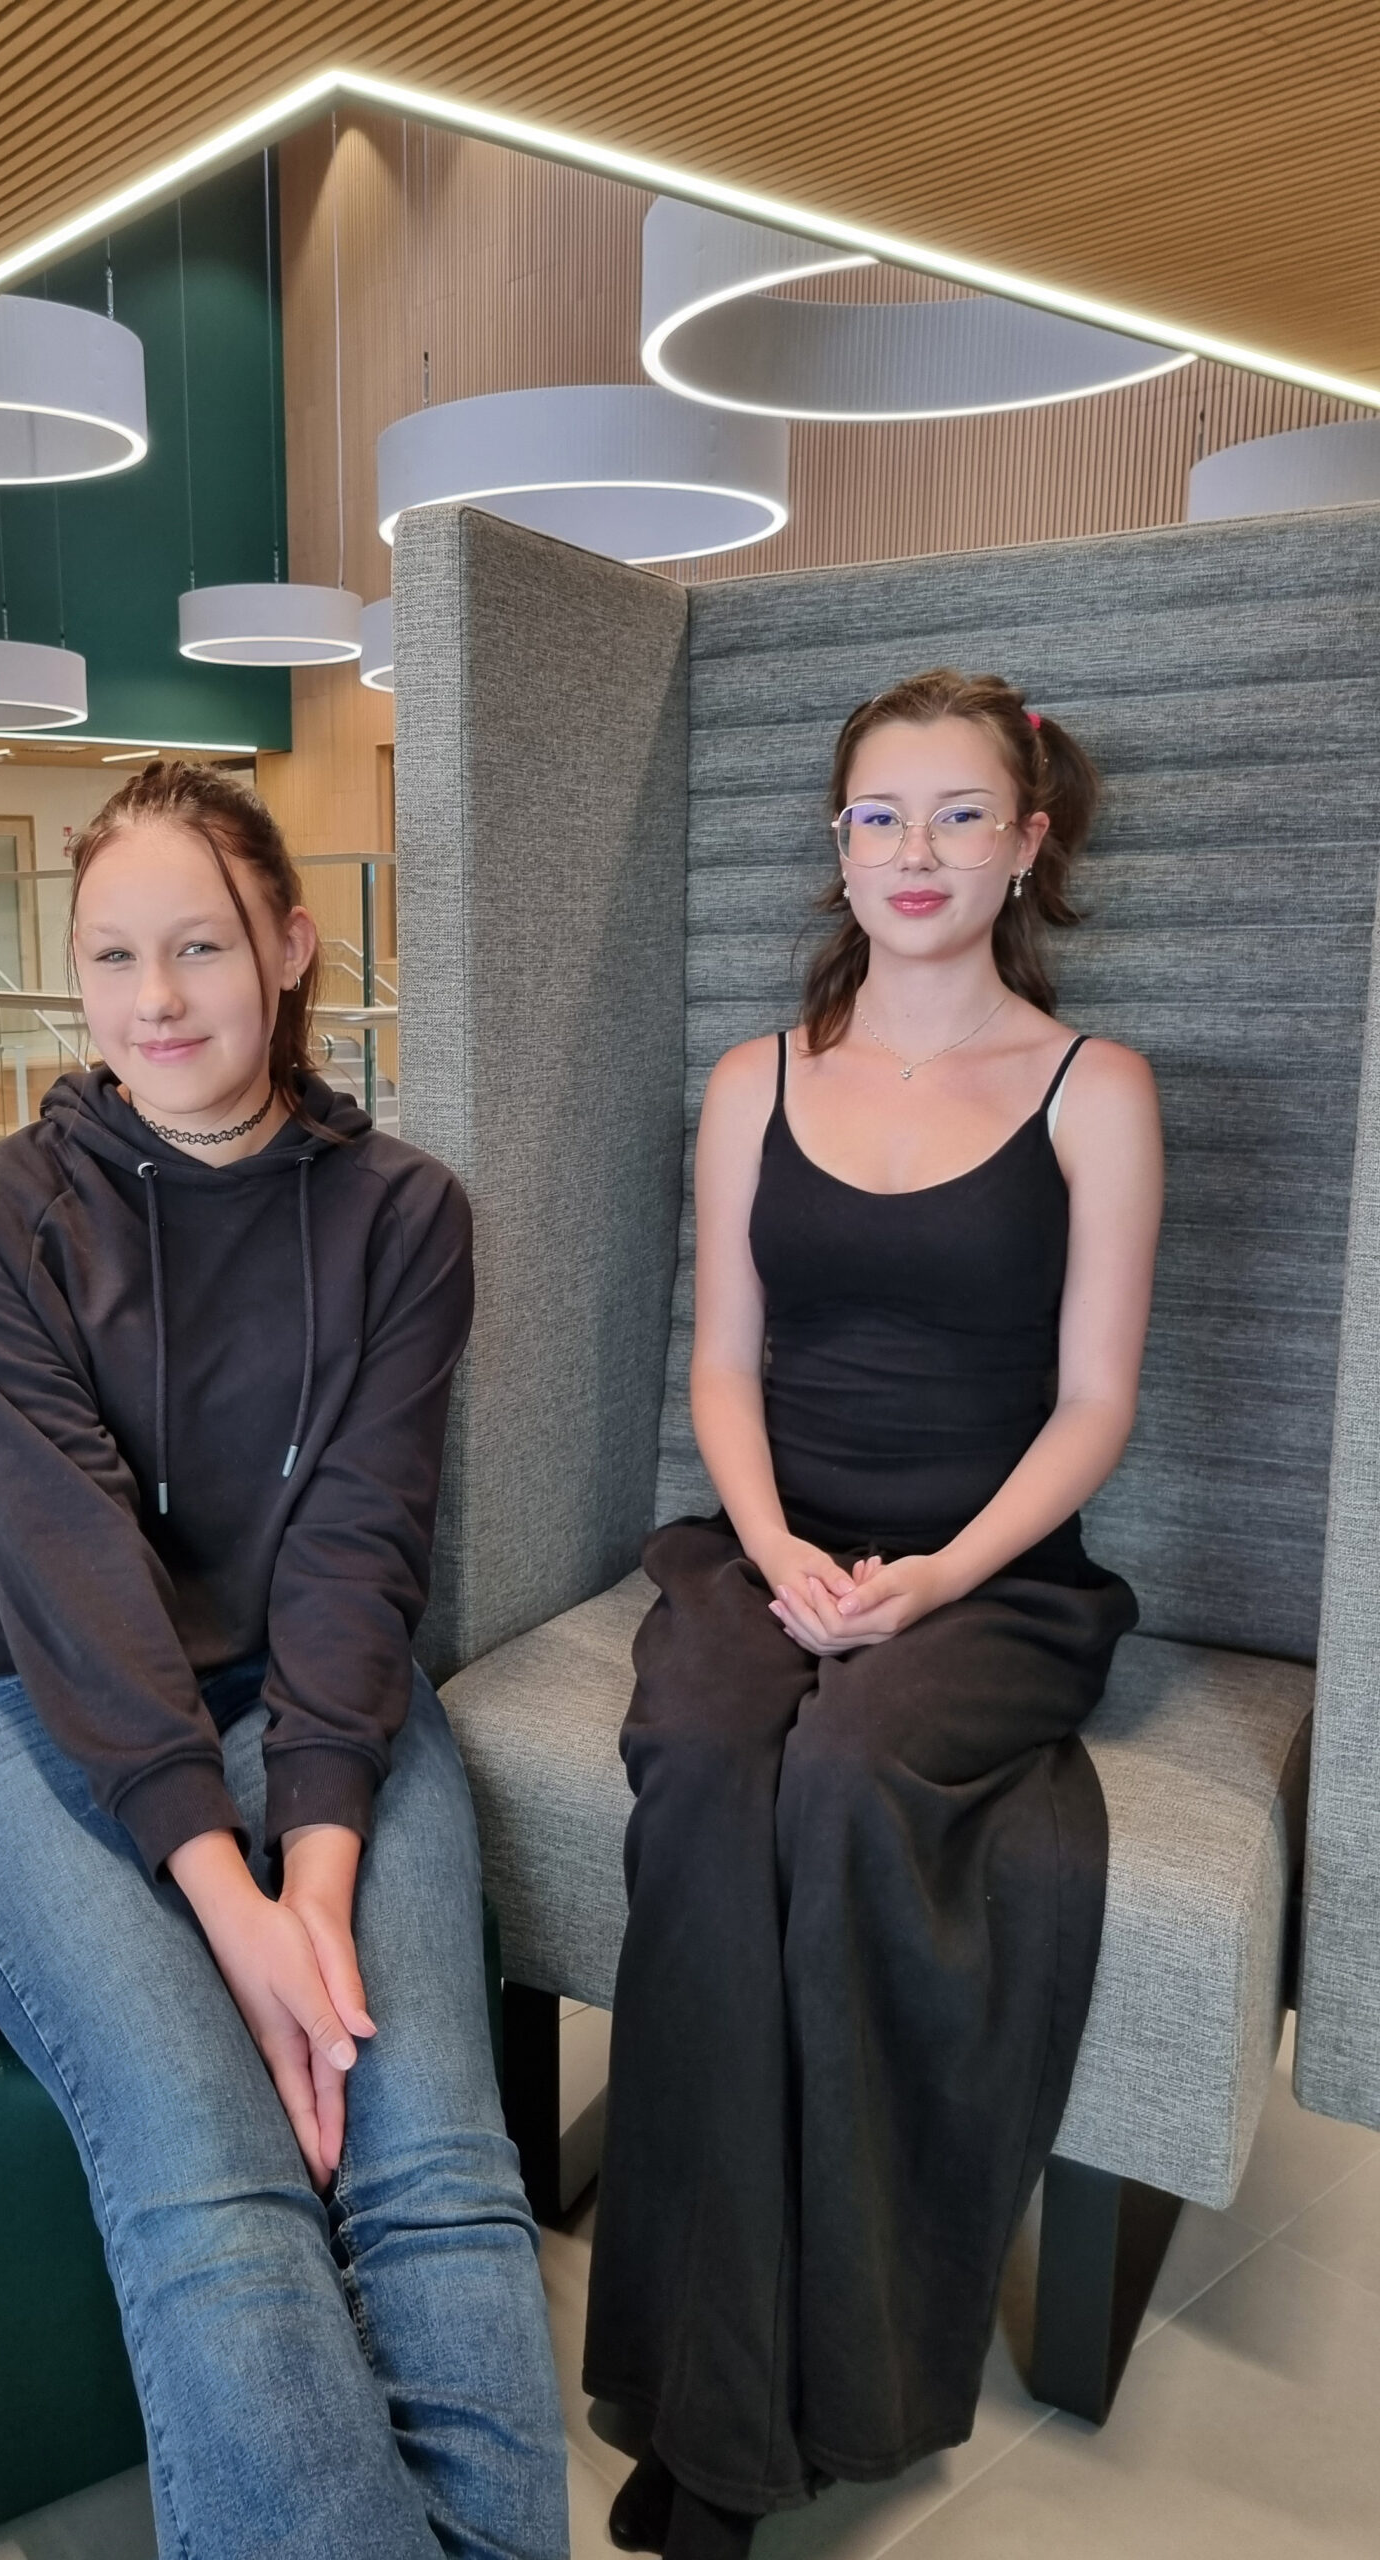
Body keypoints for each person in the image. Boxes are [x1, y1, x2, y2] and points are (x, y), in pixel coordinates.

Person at [0, 762, 568, 2560]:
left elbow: (360, 1549)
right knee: (214, 2176)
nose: (156, 1000)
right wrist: (233, 1907)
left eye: (199, 945)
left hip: (318, 1702)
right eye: (111, 955)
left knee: (437, 2161)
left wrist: (320, 1892)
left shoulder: (405, 1214)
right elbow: (72, 1571)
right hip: (43, 1707)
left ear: (288, 944)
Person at [584, 672, 1163, 2558]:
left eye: (959, 814)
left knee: (842, 1788)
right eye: (879, 816)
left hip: (992, 1576)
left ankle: (801, 2407)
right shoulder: (753, 1079)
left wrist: (937, 1577)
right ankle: (713, 2396)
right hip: (774, 1541)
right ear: (837, 848)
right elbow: (724, 1364)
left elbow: (1094, 1405)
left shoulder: (1096, 1090)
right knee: (699, 1767)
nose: (916, 852)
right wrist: (775, 1554)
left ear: (1029, 841)